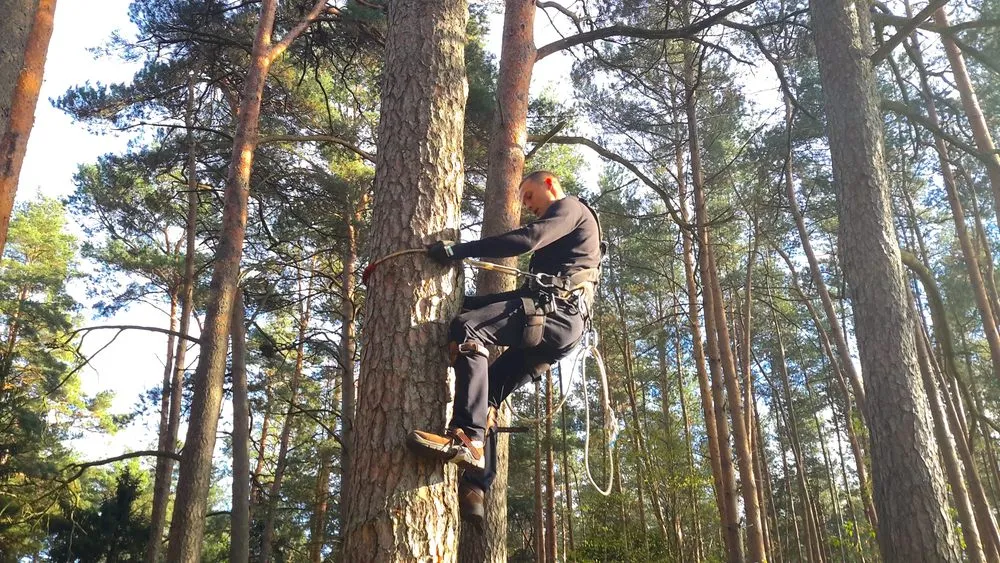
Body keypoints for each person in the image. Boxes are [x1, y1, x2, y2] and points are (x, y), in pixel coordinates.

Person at [407, 170, 603, 527]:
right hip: (559, 326)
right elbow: (528, 297)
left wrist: (457, 251)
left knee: (468, 330)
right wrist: (471, 302)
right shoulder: (567, 249)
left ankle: (467, 437)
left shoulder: (570, 208)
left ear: (549, 184)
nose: (527, 206)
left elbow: (527, 240)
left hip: (556, 315)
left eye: (528, 195)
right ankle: (476, 489)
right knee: (491, 393)